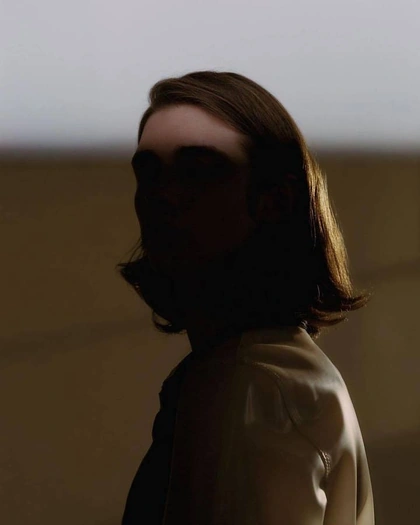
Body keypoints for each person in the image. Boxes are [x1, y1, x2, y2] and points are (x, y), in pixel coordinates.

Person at [116, 70, 375, 524]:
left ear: (275, 199)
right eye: (149, 172)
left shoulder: (257, 387)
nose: (163, 195)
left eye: (198, 170)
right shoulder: (262, 374)